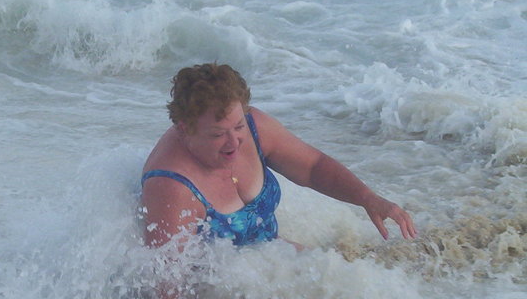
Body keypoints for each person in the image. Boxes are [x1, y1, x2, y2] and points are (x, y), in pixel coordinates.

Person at [141, 63, 417, 252]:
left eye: (238, 127)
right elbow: (170, 293)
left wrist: (368, 198)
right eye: (218, 134)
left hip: (273, 267)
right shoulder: (171, 187)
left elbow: (313, 168)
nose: (234, 142)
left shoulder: (255, 127)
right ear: (184, 129)